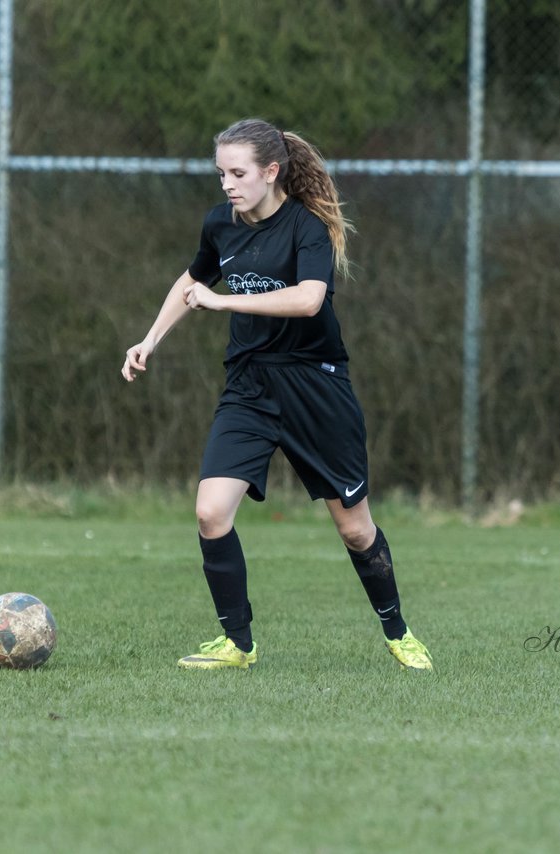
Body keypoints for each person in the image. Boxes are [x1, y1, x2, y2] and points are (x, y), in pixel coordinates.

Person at [121, 118, 432, 671]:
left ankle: (398, 630)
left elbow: (310, 300)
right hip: (250, 386)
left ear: (271, 171)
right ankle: (238, 644)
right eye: (221, 173)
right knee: (210, 512)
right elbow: (190, 281)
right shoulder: (220, 225)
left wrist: (222, 303)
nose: (227, 185)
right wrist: (149, 340)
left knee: (356, 529)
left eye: (238, 173)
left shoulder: (306, 228)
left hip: (316, 386)